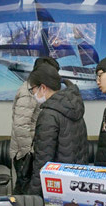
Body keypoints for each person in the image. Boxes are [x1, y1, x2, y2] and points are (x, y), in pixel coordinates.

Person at [28, 64, 89, 195]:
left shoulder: (48, 115)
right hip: (77, 184)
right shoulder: (75, 107)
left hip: (56, 187)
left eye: (32, 89)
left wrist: (33, 196)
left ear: (43, 87)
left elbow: (42, 162)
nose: (32, 94)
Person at [9, 57, 58, 193]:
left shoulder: (36, 88)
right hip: (25, 154)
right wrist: (30, 153)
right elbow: (21, 126)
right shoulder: (29, 91)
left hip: (29, 151)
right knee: (25, 193)